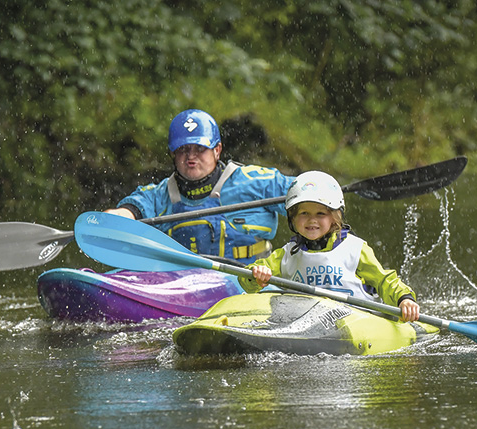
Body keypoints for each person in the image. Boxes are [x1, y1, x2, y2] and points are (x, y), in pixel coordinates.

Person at [105, 109, 295, 263]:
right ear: (173, 154)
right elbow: (132, 209)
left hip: (249, 285)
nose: (191, 157)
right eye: (183, 150)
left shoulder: (254, 181)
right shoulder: (159, 195)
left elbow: (306, 193)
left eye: (199, 149)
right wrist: (116, 219)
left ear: (217, 150)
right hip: (185, 290)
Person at [241, 171, 421, 322]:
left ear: (334, 218)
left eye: (321, 213)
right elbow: (248, 280)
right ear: (293, 218)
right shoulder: (287, 254)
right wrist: (257, 275)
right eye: (304, 213)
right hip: (306, 323)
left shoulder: (355, 249)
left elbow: (384, 281)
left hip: (356, 321)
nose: (312, 220)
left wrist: (404, 299)